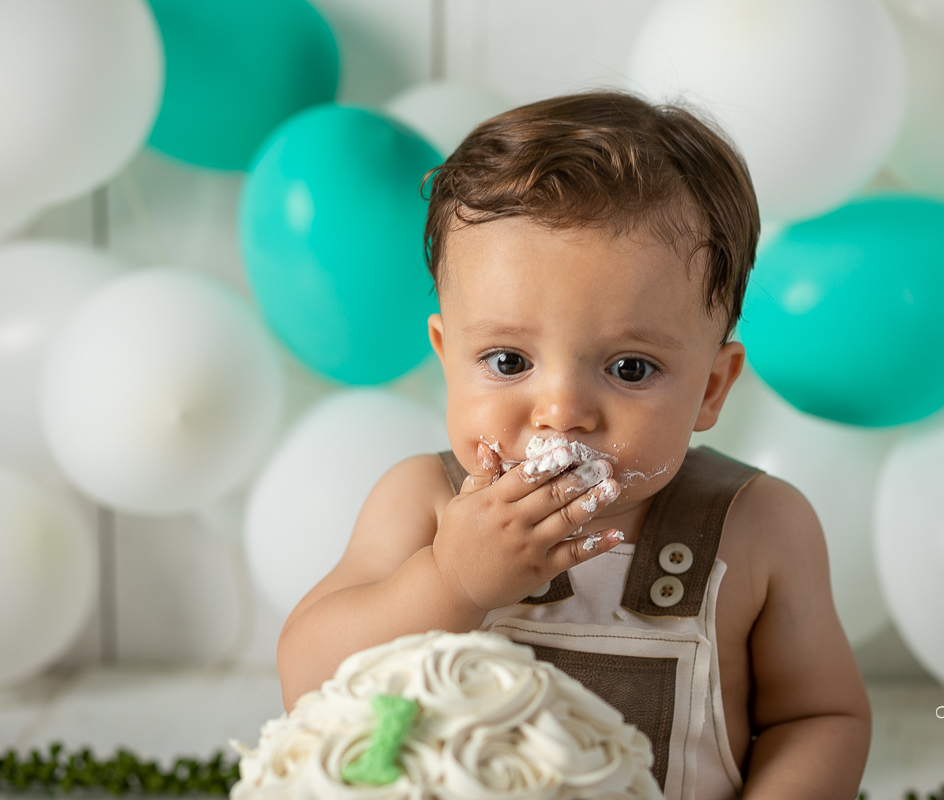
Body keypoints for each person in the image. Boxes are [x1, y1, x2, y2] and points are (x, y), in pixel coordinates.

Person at [276, 90, 871, 800]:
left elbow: (819, 717)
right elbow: (309, 681)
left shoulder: (760, 528)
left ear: (711, 388)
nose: (561, 414)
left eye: (629, 369)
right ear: (445, 356)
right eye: (507, 362)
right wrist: (452, 582)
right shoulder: (424, 503)